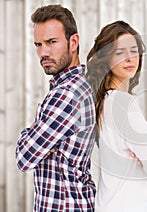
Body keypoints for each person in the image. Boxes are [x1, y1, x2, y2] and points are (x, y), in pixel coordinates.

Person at [15, 5, 96, 211]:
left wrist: (30, 130)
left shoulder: (68, 94)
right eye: (38, 44)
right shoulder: (73, 85)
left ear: (73, 42)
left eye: (51, 42)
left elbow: (24, 157)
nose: (43, 52)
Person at [86, 20, 147, 212]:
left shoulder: (104, 100)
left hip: (110, 203)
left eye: (133, 50)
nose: (130, 58)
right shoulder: (124, 104)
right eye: (120, 52)